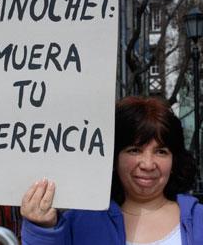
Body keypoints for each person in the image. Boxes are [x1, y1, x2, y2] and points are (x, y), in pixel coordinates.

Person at [20, 96, 203, 245]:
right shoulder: (77, 223)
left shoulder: (198, 220)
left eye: (161, 152)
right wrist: (42, 230)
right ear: (113, 159)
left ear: (174, 161)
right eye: (134, 150)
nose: (148, 164)